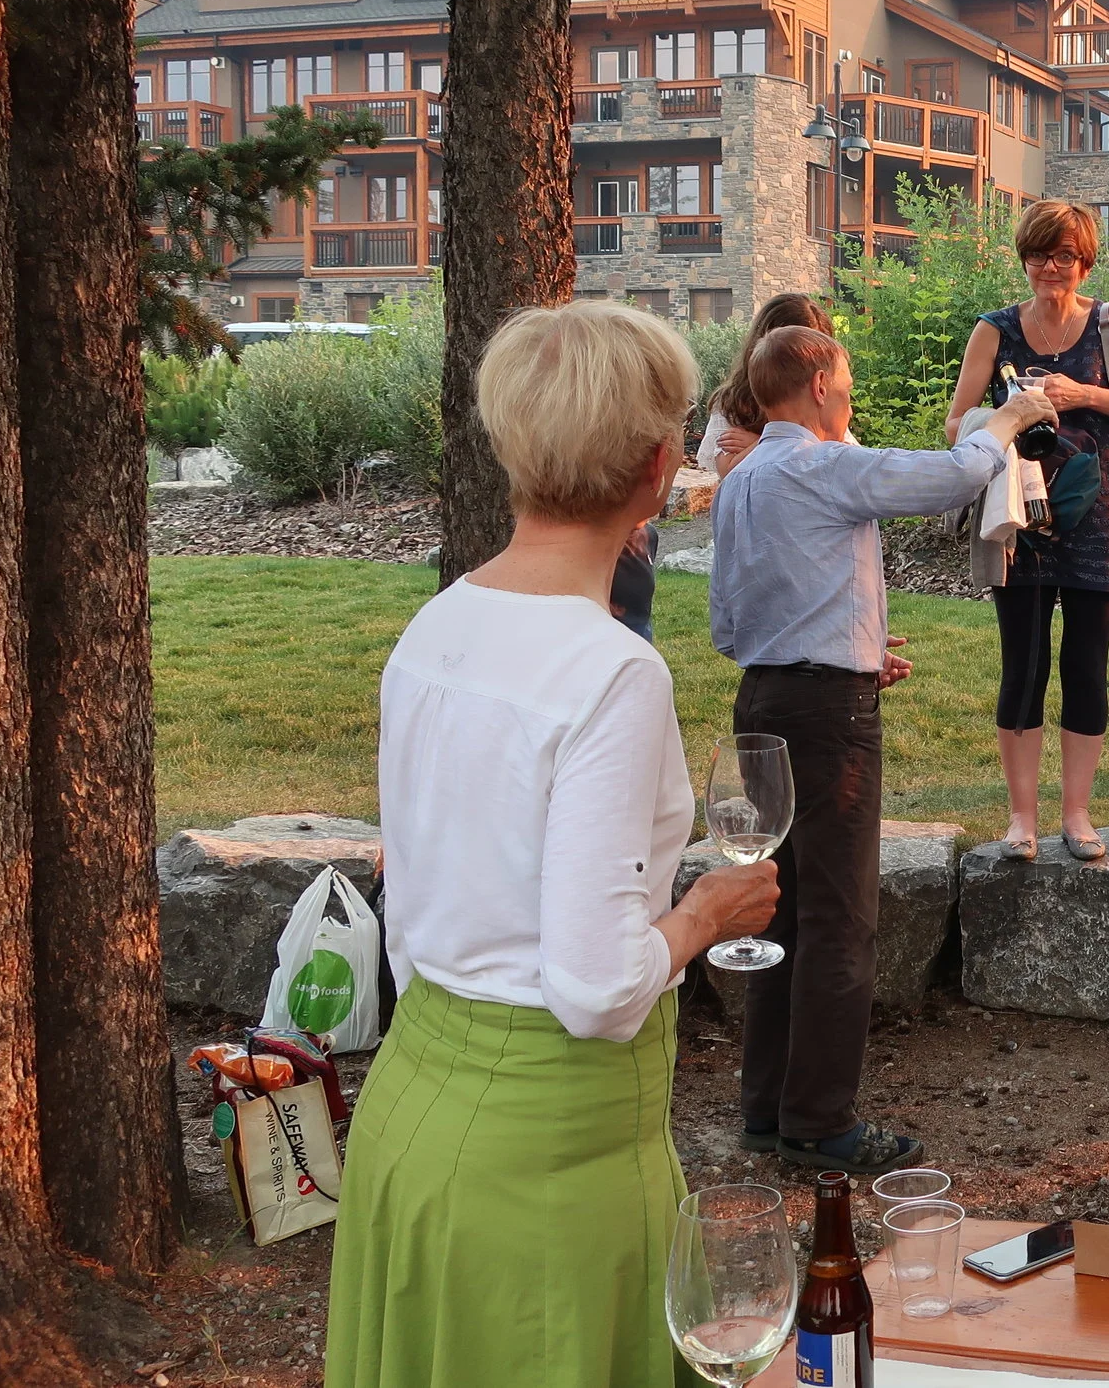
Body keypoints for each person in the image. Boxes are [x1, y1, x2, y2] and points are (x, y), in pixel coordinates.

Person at [328, 302, 783, 1388]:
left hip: (413, 1113)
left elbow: (421, 897)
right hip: (543, 1157)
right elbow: (593, 988)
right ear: (654, 466)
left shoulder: (438, 623)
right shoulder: (611, 670)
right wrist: (703, 914)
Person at [710, 325, 1056, 1173]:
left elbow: (729, 620)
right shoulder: (820, 465)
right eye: (849, 375)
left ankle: (769, 1109)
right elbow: (950, 475)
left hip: (762, 695)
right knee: (840, 919)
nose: (853, 391)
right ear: (821, 382)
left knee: (780, 905)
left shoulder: (742, 476)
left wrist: (848, 645)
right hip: (829, 716)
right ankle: (821, 1121)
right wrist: (1007, 420)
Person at [943, 200, 1109, 860]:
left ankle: (1077, 814)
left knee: (1086, 666)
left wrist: (1083, 395)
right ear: (1025, 258)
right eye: (1041, 254)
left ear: (1084, 261)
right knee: (1023, 664)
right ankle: (1022, 819)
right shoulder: (994, 330)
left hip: (1095, 520)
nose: (1052, 266)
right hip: (1017, 516)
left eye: (1065, 255)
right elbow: (955, 422)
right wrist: (1006, 415)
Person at [702, 291, 836, 476]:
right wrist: (772, 441)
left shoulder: (827, 397)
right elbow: (729, 472)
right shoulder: (733, 402)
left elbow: (837, 457)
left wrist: (762, 443)